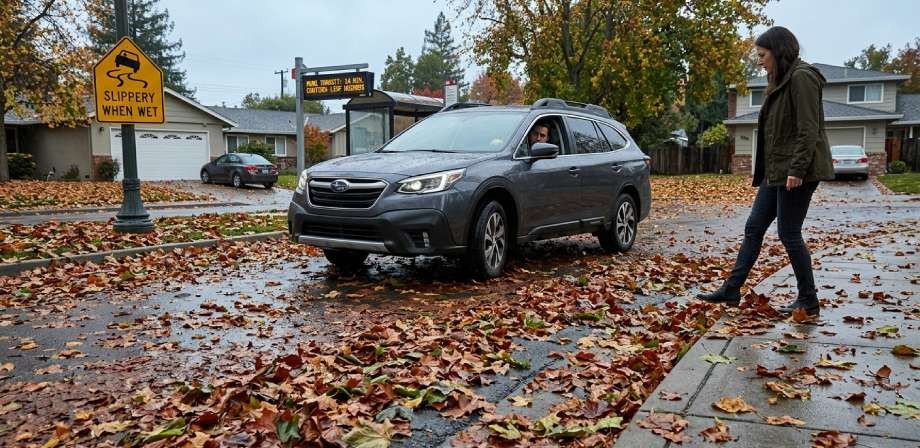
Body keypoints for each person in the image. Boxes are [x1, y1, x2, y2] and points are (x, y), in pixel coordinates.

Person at [697, 26, 834, 316]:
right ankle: (731, 289)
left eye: (762, 55)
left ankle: (809, 300)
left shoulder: (802, 77)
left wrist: (797, 169)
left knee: (789, 233)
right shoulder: (781, 79)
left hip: (797, 171)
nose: (759, 61)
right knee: (754, 227)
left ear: (778, 52)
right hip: (777, 170)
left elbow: (808, 129)